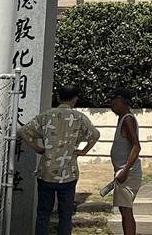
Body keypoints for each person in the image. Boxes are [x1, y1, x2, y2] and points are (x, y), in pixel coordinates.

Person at [18, 84, 100, 235]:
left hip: (46, 171)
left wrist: (37, 148)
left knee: (43, 213)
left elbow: (23, 131)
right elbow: (95, 134)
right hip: (68, 172)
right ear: (74, 100)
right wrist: (83, 151)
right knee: (65, 214)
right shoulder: (79, 118)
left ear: (57, 97)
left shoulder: (46, 116)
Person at [106, 87, 143, 235]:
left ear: (121, 101)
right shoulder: (122, 118)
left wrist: (125, 170)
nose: (111, 105)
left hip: (127, 172)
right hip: (122, 171)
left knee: (126, 210)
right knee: (123, 209)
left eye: (113, 101)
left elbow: (136, 146)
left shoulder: (128, 119)